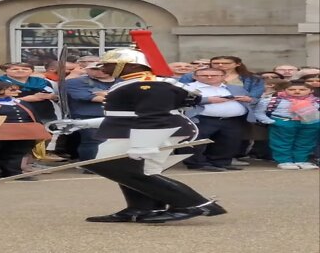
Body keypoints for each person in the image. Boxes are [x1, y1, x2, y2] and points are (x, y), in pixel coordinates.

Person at [51, 46, 227, 223]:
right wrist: (82, 124)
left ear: (132, 66)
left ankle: (196, 204)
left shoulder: (149, 85)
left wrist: (144, 145)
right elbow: (123, 117)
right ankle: (144, 208)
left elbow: (154, 116)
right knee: (123, 170)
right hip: (133, 131)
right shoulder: (137, 83)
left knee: (133, 171)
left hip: (154, 132)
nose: (103, 68)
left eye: (109, 64)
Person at [181, 68, 255, 171]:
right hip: (201, 119)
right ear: (194, 77)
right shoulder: (186, 88)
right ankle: (197, 163)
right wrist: (207, 100)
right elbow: (179, 100)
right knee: (196, 142)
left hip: (233, 120)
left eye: (215, 75)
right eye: (204, 75)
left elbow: (254, 100)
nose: (210, 77)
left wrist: (250, 100)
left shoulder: (235, 88)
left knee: (228, 142)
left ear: (224, 77)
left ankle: (221, 162)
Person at [254, 80, 319, 170]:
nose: (297, 91)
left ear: (311, 90)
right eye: (291, 89)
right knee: (281, 143)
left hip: (310, 123)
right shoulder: (272, 100)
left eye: (302, 89)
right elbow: (258, 112)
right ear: (284, 90)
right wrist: (269, 121)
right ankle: (284, 161)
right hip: (283, 122)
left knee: (306, 143)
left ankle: (301, 160)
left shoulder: (316, 101)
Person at [65, 63, 121, 162]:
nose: (100, 70)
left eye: (104, 68)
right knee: (94, 140)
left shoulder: (124, 82)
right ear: (87, 69)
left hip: (119, 115)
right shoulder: (75, 82)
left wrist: (106, 94)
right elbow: (92, 98)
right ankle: (92, 166)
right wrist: (116, 96)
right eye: (95, 68)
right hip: (88, 116)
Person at [179, 56, 264, 99]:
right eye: (216, 63)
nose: (220, 65)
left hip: (238, 109)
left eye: (226, 63)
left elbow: (255, 95)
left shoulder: (252, 78)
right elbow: (181, 91)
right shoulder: (191, 76)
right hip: (203, 107)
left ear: (237, 64)